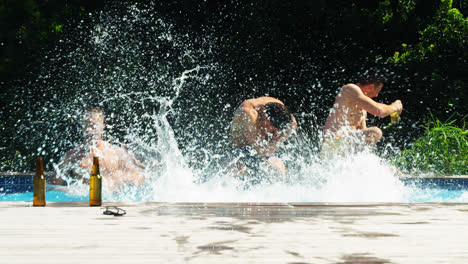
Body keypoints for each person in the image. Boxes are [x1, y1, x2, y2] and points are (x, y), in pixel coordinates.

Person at [51, 107, 145, 189]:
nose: (88, 130)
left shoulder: (116, 152)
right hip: (86, 202)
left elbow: (139, 177)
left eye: (93, 125)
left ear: (102, 127)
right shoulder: (72, 156)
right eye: (85, 125)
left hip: (112, 201)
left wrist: (114, 179)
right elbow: (52, 185)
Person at [321, 75, 403, 158]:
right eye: (377, 91)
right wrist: (394, 107)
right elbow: (379, 111)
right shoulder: (350, 89)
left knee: (390, 170)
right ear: (371, 87)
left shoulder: (362, 109)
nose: (376, 95)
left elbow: (364, 140)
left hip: (344, 149)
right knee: (375, 132)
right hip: (331, 145)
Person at [227, 97, 297, 180]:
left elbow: (265, 152)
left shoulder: (279, 107)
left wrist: (289, 130)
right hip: (238, 152)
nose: (273, 135)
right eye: (272, 131)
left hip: (261, 151)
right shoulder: (248, 113)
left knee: (278, 169)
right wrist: (285, 135)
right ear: (265, 120)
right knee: (237, 168)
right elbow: (262, 151)